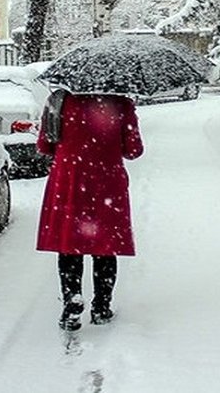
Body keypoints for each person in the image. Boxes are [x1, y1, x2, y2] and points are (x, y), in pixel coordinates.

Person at [36, 89, 144, 331]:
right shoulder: (121, 104)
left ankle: (72, 300)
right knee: (105, 245)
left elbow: (44, 145)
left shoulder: (59, 100)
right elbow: (134, 150)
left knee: (69, 244)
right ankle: (101, 307)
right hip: (107, 183)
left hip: (70, 180)